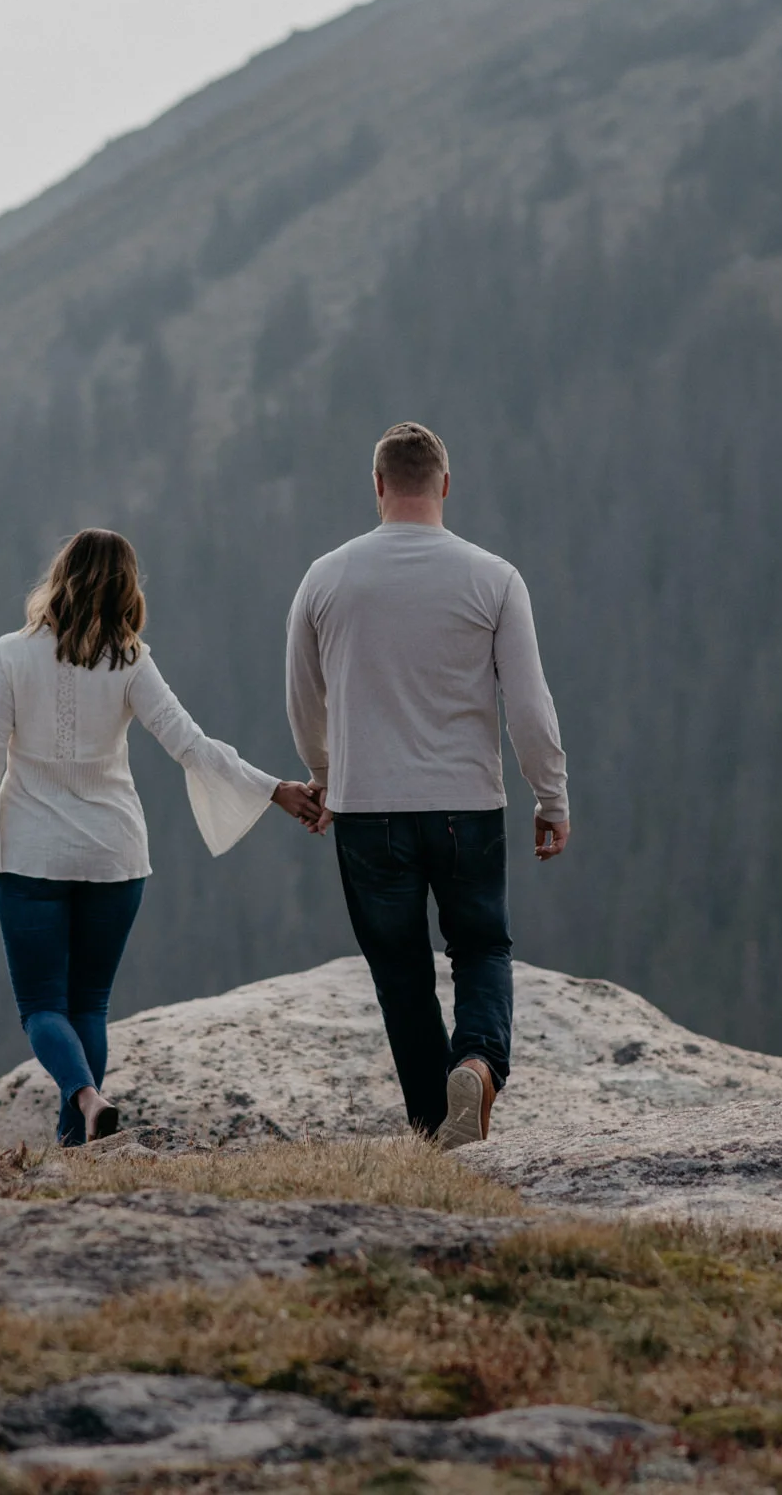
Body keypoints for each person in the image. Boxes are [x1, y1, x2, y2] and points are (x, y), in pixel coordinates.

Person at [0, 528, 323, 1145]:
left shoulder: (10, 654)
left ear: (60, 578)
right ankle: (77, 1145)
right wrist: (275, 789)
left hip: (31, 857)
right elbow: (192, 745)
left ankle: (85, 1098)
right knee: (89, 1007)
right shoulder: (132, 661)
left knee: (43, 1009)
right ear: (125, 588)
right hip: (114, 856)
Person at [285, 422, 570, 1150]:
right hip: (466, 806)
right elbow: (529, 706)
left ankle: (431, 1129)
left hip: (365, 809)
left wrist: (322, 777)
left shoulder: (326, 577)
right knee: (480, 950)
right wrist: (551, 796)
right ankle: (475, 1064)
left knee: (400, 972)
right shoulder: (493, 577)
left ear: (378, 485)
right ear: (445, 485)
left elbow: (304, 699)